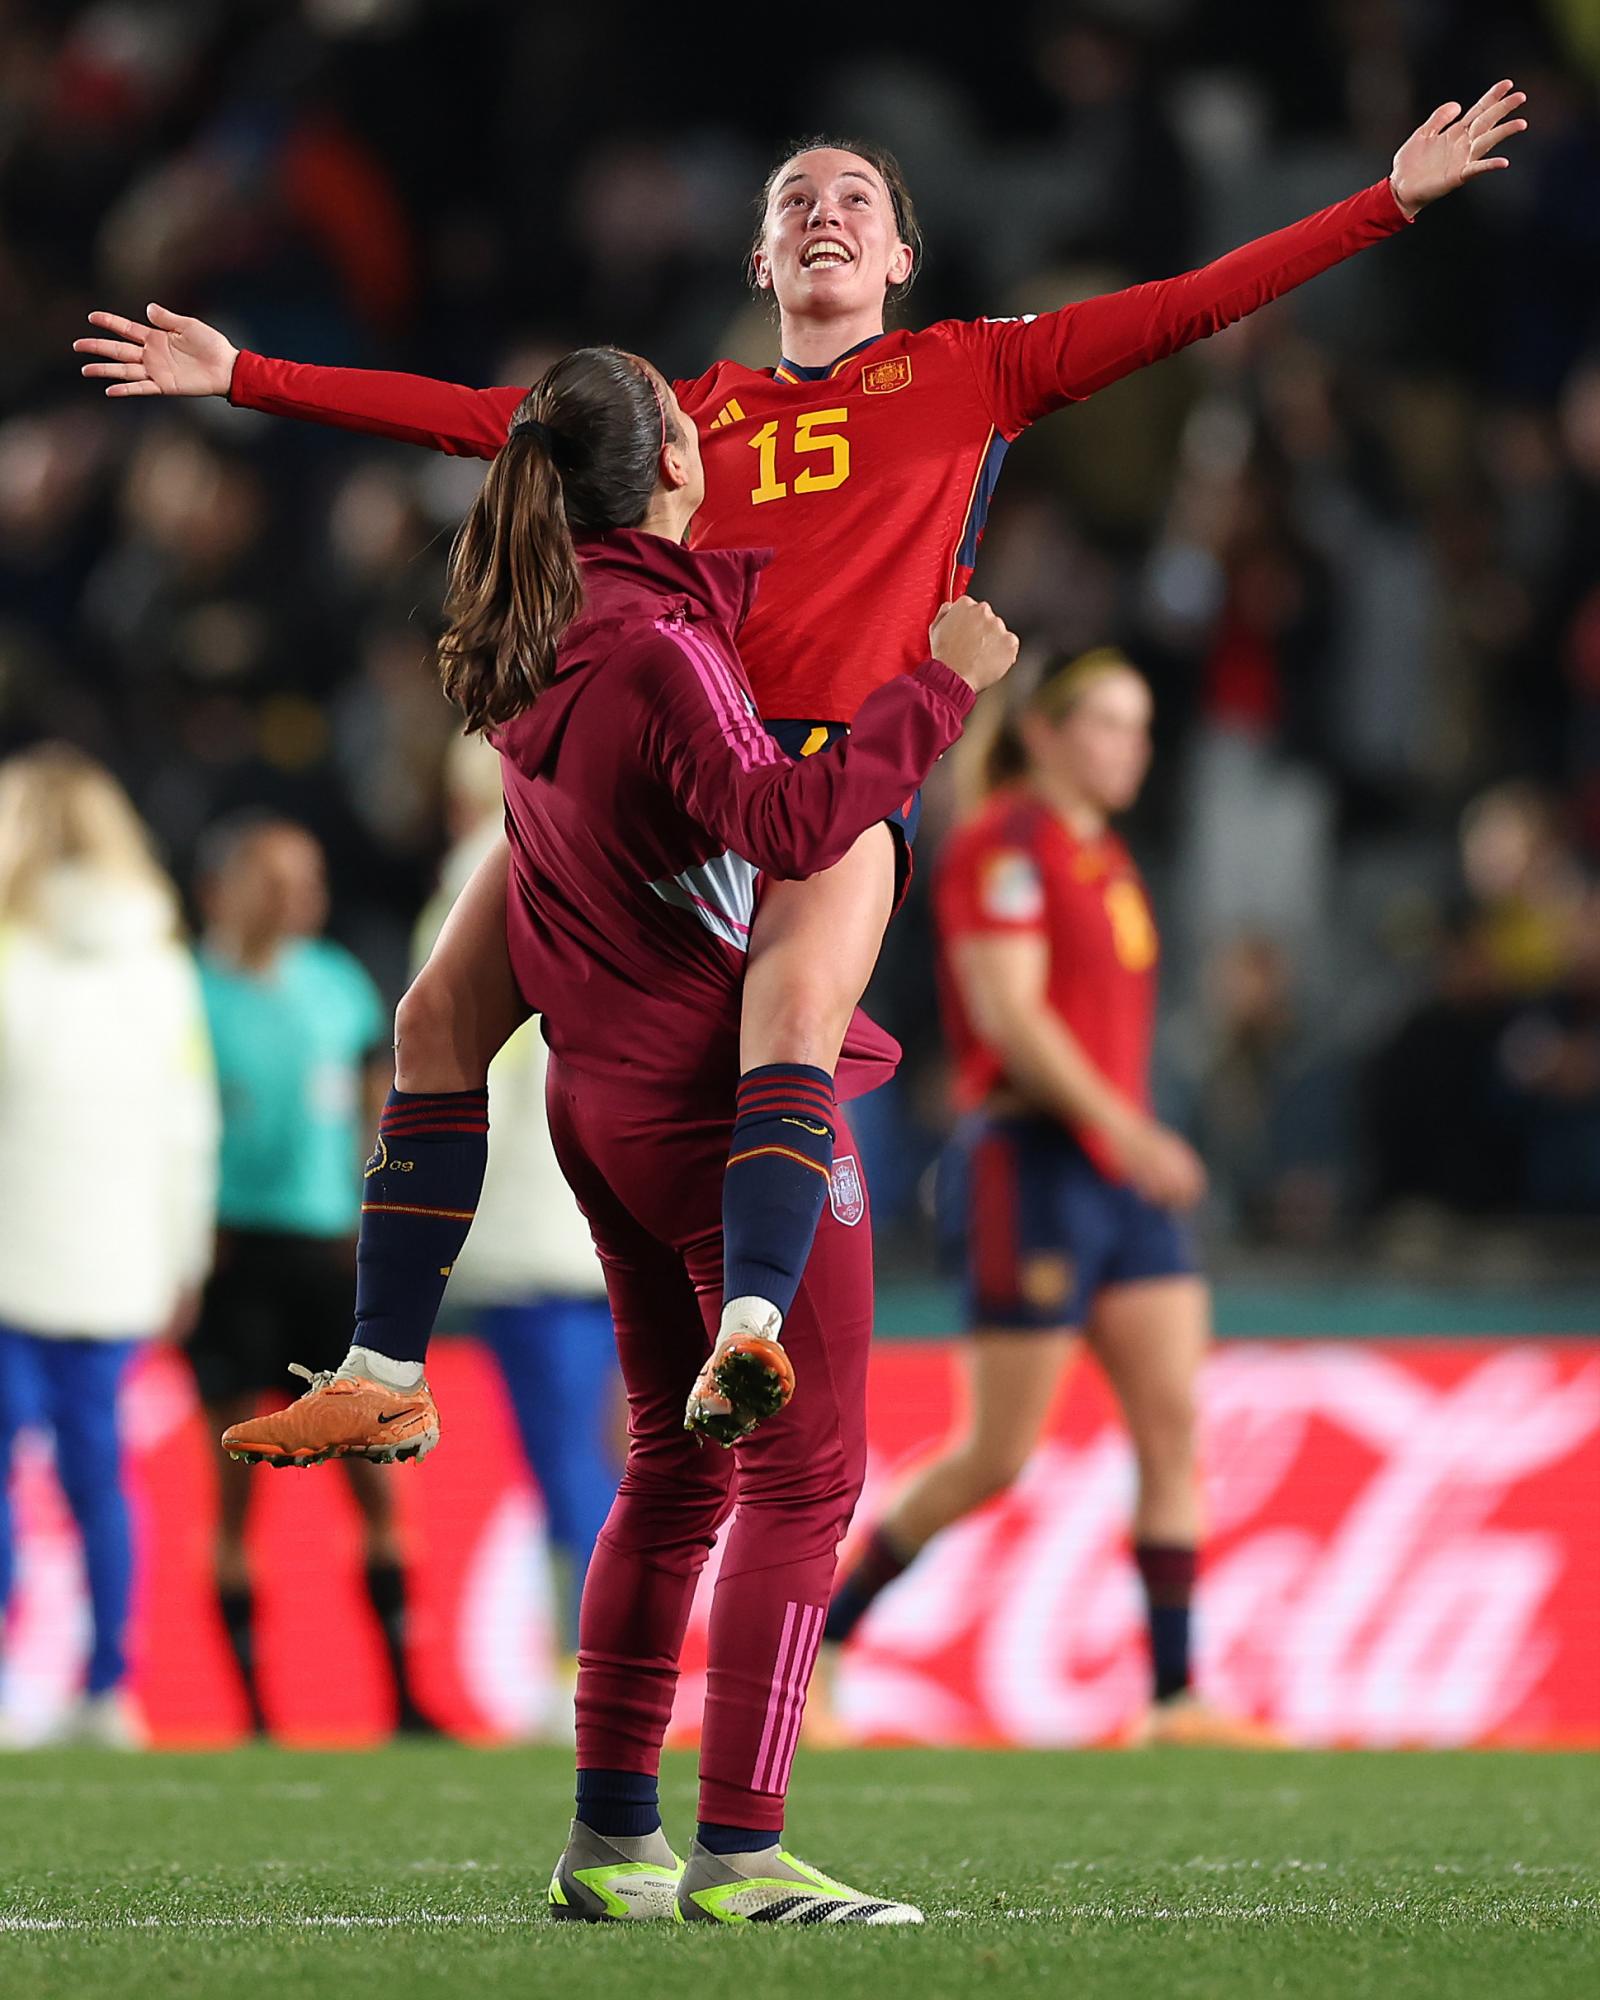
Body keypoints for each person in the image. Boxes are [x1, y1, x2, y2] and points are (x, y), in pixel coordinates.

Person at [75, 83, 1528, 1466]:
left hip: (826, 781)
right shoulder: (690, 410)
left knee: (793, 1011)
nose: (824, 212)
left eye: (855, 198)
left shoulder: (978, 368)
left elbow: (1190, 305)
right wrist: (247, 377)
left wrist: (1383, 204)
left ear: (901, 250)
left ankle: (751, 1328)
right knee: (436, 1014)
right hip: (659, 772)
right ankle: (386, 1375)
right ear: (760, 254)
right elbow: (487, 417)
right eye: (795, 199)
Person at [236, 342, 1007, 1915]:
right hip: (720, 1113)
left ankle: (610, 1842)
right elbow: (790, 822)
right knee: (806, 1481)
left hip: (595, 1108)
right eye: (682, 409)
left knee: (671, 1477)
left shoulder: (546, 640)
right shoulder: (656, 649)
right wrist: (942, 684)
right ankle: (741, 1850)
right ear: (666, 460)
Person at [821, 651, 1271, 1748]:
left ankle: (1173, 1698)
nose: (1134, 746)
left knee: (1171, 1427)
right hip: (1033, 1163)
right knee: (997, 1453)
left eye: (1141, 725)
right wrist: (1127, 1127)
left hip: (1119, 1176)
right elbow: (1011, 1016)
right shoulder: (1006, 846)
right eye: (1112, 723)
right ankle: (818, 1648)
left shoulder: (1097, 852)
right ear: (1049, 733)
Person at [188, 814, 440, 1737]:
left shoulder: (337, 985)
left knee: (373, 1469)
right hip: (231, 1252)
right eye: (281, 878)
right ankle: (253, 1712)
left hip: (327, 1251)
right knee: (235, 1476)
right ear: (231, 888)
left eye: (311, 877)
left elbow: (379, 1106)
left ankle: (405, 1697)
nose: (304, 895)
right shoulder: (191, 993)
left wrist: (374, 1210)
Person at [0, 746, 218, 1749]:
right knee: (99, 1472)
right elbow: (189, 1119)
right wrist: (182, 1252)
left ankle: (11, 1672)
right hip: (117, 1253)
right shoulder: (159, 958)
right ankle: (108, 1683)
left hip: (14, 1248)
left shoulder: (8, 949)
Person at [423, 733, 621, 1738]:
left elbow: (449, 1057)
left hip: (529, 1220)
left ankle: (588, 1674)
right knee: (618, 1459)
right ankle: (623, 1665)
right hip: (617, 1203)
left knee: (566, 1463)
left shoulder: (479, 872)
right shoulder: (609, 856)